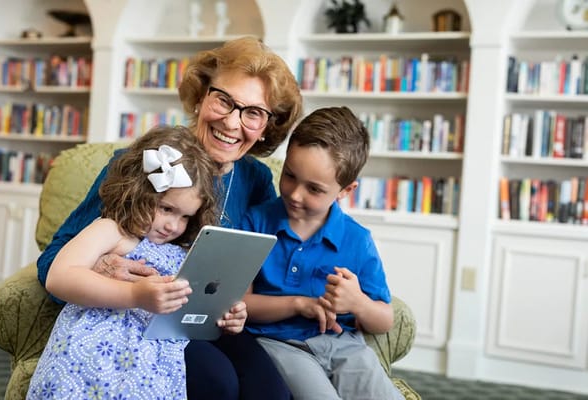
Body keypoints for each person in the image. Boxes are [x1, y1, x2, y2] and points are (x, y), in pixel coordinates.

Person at [35, 36, 302, 399]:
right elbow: (54, 261)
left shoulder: (255, 180)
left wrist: (235, 307)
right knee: (217, 381)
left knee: (270, 391)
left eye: (253, 112)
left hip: (208, 322)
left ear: (267, 126)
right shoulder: (145, 163)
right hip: (141, 319)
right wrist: (107, 270)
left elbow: (246, 269)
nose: (232, 121)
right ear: (202, 94)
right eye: (224, 100)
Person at [27, 125, 223, 399]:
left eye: (185, 217)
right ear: (138, 191)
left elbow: (188, 303)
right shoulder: (112, 230)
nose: (173, 226)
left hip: (153, 366)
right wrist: (134, 294)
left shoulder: (182, 250)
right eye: (166, 209)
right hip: (92, 360)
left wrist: (222, 311)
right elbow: (59, 276)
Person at [240, 107, 405, 400]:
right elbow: (241, 304)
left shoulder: (357, 240)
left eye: (314, 189)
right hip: (278, 343)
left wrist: (358, 303)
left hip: (345, 346)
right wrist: (299, 304)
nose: (294, 194)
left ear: (346, 190)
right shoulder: (256, 222)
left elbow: (384, 320)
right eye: (289, 175)